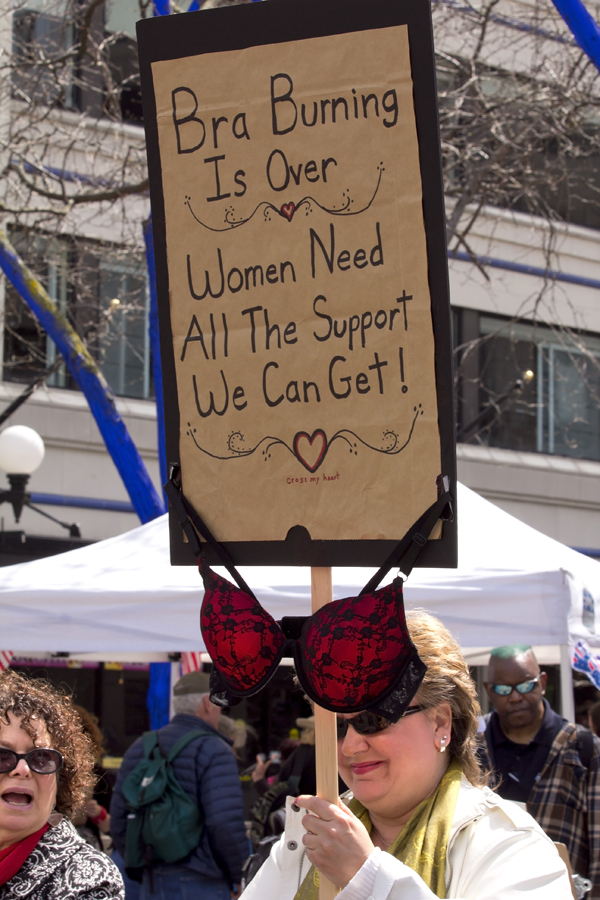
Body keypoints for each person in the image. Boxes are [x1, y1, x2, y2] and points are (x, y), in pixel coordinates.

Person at [241, 612, 572, 900]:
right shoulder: (311, 836)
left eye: (374, 720)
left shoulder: (508, 845)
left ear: (441, 722)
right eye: (338, 727)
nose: (350, 746)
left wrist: (367, 877)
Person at [111, 670, 248, 900]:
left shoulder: (140, 747)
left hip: (151, 882)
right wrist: (240, 875)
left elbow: (118, 820)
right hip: (203, 882)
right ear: (207, 703)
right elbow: (224, 824)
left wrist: (141, 866)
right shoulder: (214, 749)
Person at [480, 644, 600, 896]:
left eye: (525, 686)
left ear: (542, 681)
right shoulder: (474, 748)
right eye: (503, 689)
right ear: (489, 691)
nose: (515, 697)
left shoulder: (583, 748)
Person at [0, 668, 124, 899]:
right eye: (2, 755)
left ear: (61, 780)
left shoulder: (86, 879)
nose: (22, 770)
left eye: (41, 758)